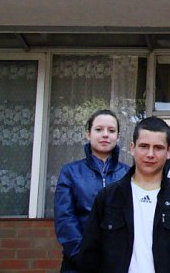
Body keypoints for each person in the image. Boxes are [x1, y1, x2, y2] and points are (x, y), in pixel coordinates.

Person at [77, 116, 170, 273]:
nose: (150, 154)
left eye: (158, 148)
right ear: (132, 148)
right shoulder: (108, 197)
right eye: (144, 146)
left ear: (169, 152)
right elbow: (89, 257)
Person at [54, 109, 130, 273]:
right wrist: (82, 256)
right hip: (78, 263)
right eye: (99, 129)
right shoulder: (70, 172)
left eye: (111, 131)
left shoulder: (128, 174)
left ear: (118, 137)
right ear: (88, 134)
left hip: (118, 264)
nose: (105, 135)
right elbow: (65, 219)